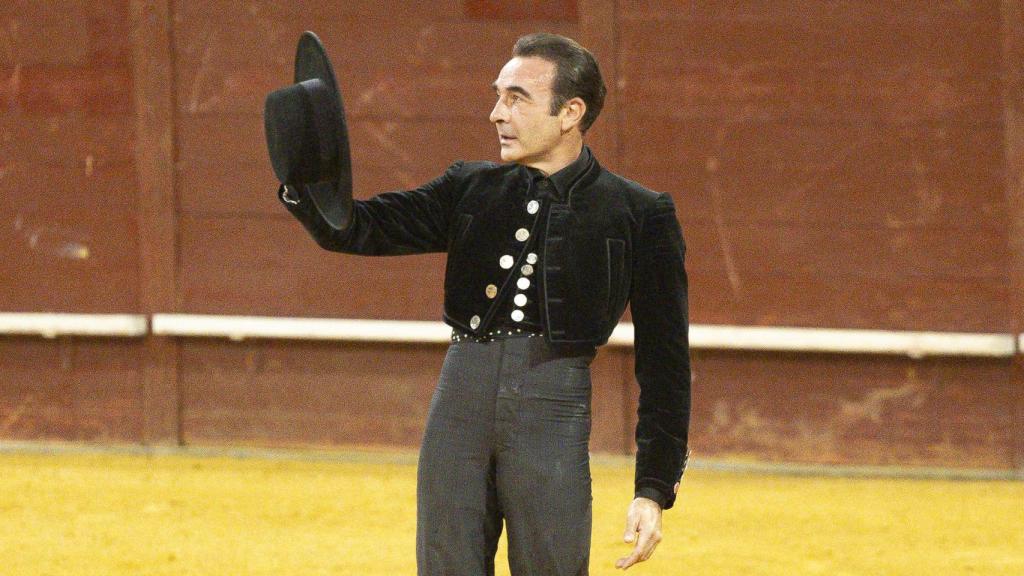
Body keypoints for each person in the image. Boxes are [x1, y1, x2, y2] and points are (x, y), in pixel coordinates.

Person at [278, 32, 691, 576]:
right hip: (459, 399)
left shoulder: (638, 212)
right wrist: (304, 179)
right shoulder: (470, 187)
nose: (497, 113)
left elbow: (665, 364)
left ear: (571, 112)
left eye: (516, 98)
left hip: (554, 407)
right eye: (498, 95)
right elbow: (353, 228)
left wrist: (653, 488)